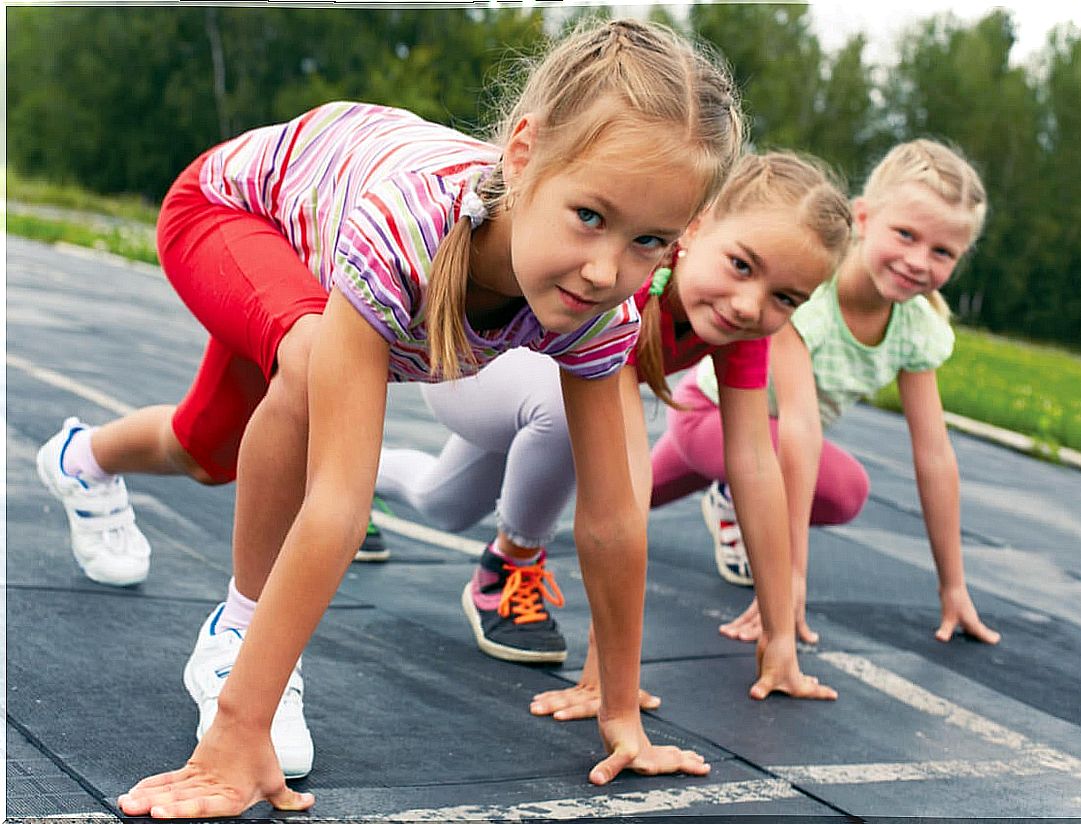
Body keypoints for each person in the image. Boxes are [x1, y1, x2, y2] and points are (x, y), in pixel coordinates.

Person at [35, 18, 745, 817]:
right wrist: (242, 725)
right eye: (590, 215)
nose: (606, 269)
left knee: (207, 449)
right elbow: (340, 499)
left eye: (650, 240)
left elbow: (614, 519)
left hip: (309, 252)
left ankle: (80, 459)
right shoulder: (411, 229)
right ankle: (235, 640)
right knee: (302, 367)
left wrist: (618, 706)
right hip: (230, 213)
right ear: (522, 154)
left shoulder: (599, 308)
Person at [376, 151, 852, 714]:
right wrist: (606, 679)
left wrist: (779, 641)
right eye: (742, 266)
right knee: (576, 418)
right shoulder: (630, 282)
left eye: (785, 298)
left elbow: (753, 464)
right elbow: (624, 488)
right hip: (472, 367)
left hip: (527, 396)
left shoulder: (741, 328)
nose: (750, 304)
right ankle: (512, 564)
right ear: (695, 229)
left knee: (443, 501)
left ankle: (363, 480)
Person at [652, 138, 1002, 649]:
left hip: (757, 442)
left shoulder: (916, 326)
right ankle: (730, 495)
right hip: (709, 419)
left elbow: (934, 454)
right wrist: (789, 577)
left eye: (942, 251)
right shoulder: (807, 292)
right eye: (905, 234)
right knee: (616, 502)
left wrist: (953, 586)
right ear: (863, 218)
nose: (917, 261)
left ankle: (726, 494)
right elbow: (799, 425)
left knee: (842, 492)